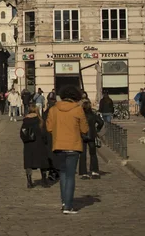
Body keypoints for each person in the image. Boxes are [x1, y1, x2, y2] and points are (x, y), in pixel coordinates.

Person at [46, 85, 89, 215]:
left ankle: (64, 201)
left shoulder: (53, 109)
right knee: (70, 176)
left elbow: (48, 128)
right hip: (73, 146)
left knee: (63, 174)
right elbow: (85, 129)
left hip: (59, 146)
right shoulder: (78, 110)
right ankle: (68, 206)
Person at [21, 104, 50, 189]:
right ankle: (44, 180)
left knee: (29, 163)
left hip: (28, 145)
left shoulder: (25, 120)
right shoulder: (40, 120)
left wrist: (25, 141)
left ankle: (29, 181)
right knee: (42, 163)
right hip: (39, 144)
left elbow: (22, 134)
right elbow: (44, 133)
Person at [79, 101, 104, 179]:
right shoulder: (93, 115)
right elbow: (101, 122)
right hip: (91, 136)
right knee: (93, 154)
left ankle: (84, 173)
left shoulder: (80, 115)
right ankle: (94, 171)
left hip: (83, 136)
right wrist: (97, 129)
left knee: (82, 155)